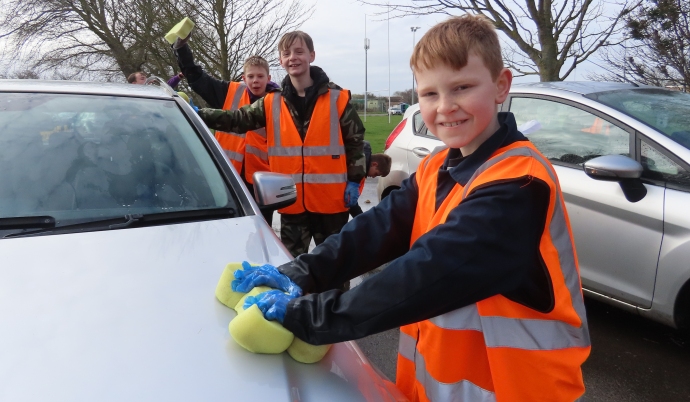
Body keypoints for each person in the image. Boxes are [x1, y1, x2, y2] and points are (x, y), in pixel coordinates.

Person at [233, 15, 591, 402]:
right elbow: (376, 230)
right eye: (429, 94)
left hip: (517, 390)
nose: (445, 107)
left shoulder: (520, 182)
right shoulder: (440, 165)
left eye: (463, 87)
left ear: (501, 86)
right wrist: (300, 273)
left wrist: (309, 316)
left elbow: (429, 272)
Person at [197, 31, 366, 258]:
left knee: (334, 266)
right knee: (292, 268)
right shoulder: (272, 101)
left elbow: (355, 141)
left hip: (331, 204)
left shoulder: (337, 98)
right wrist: (198, 114)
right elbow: (236, 119)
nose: (293, 57)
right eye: (286, 53)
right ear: (280, 60)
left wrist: (354, 180)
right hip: (291, 203)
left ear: (312, 55)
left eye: (299, 51)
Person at [172, 37, 280, 225]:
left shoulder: (279, 103)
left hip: (262, 181)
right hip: (228, 177)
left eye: (260, 76)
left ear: (268, 78)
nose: (255, 81)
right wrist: (182, 49)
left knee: (262, 231)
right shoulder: (229, 91)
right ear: (243, 78)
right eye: (251, 76)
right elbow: (197, 78)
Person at [349, 140, 391, 218]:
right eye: (376, 174)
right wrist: (361, 219)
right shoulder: (357, 171)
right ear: (374, 164)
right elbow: (350, 200)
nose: (374, 177)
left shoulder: (359, 167)